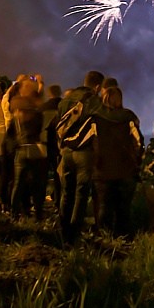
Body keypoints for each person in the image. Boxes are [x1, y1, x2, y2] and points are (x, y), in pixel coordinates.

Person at [84, 86, 143, 236]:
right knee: (123, 209)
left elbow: (85, 140)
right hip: (125, 170)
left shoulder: (95, 118)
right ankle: (123, 238)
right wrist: (136, 161)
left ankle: (104, 237)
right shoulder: (129, 117)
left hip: (101, 170)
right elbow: (139, 142)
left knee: (104, 206)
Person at [56, 70, 104, 241]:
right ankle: (73, 234)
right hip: (84, 152)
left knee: (66, 192)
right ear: (97, 86)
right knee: (81, 193)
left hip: (66, 151)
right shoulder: (94, 101)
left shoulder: (66, 100)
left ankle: (62, 230)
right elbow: (99, 128)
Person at [10, 80, 47, 219]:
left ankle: (14, 214)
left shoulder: (16, 106)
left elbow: (11, 132)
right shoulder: (34, 111)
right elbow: (38, 127)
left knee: (18, 184)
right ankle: (38, 214)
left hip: (20, 149)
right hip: (34, 149)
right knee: (37, 184)